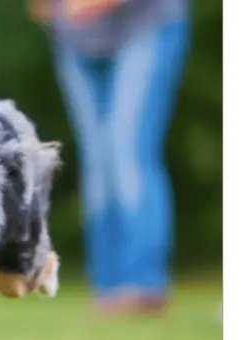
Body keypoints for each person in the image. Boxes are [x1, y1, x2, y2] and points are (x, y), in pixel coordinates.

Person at [30, 0, 191, 315]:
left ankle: (141, 285)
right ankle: (108, 286)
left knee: (127, 152)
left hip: (146, 23)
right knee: (97, 163)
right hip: (75, 38)